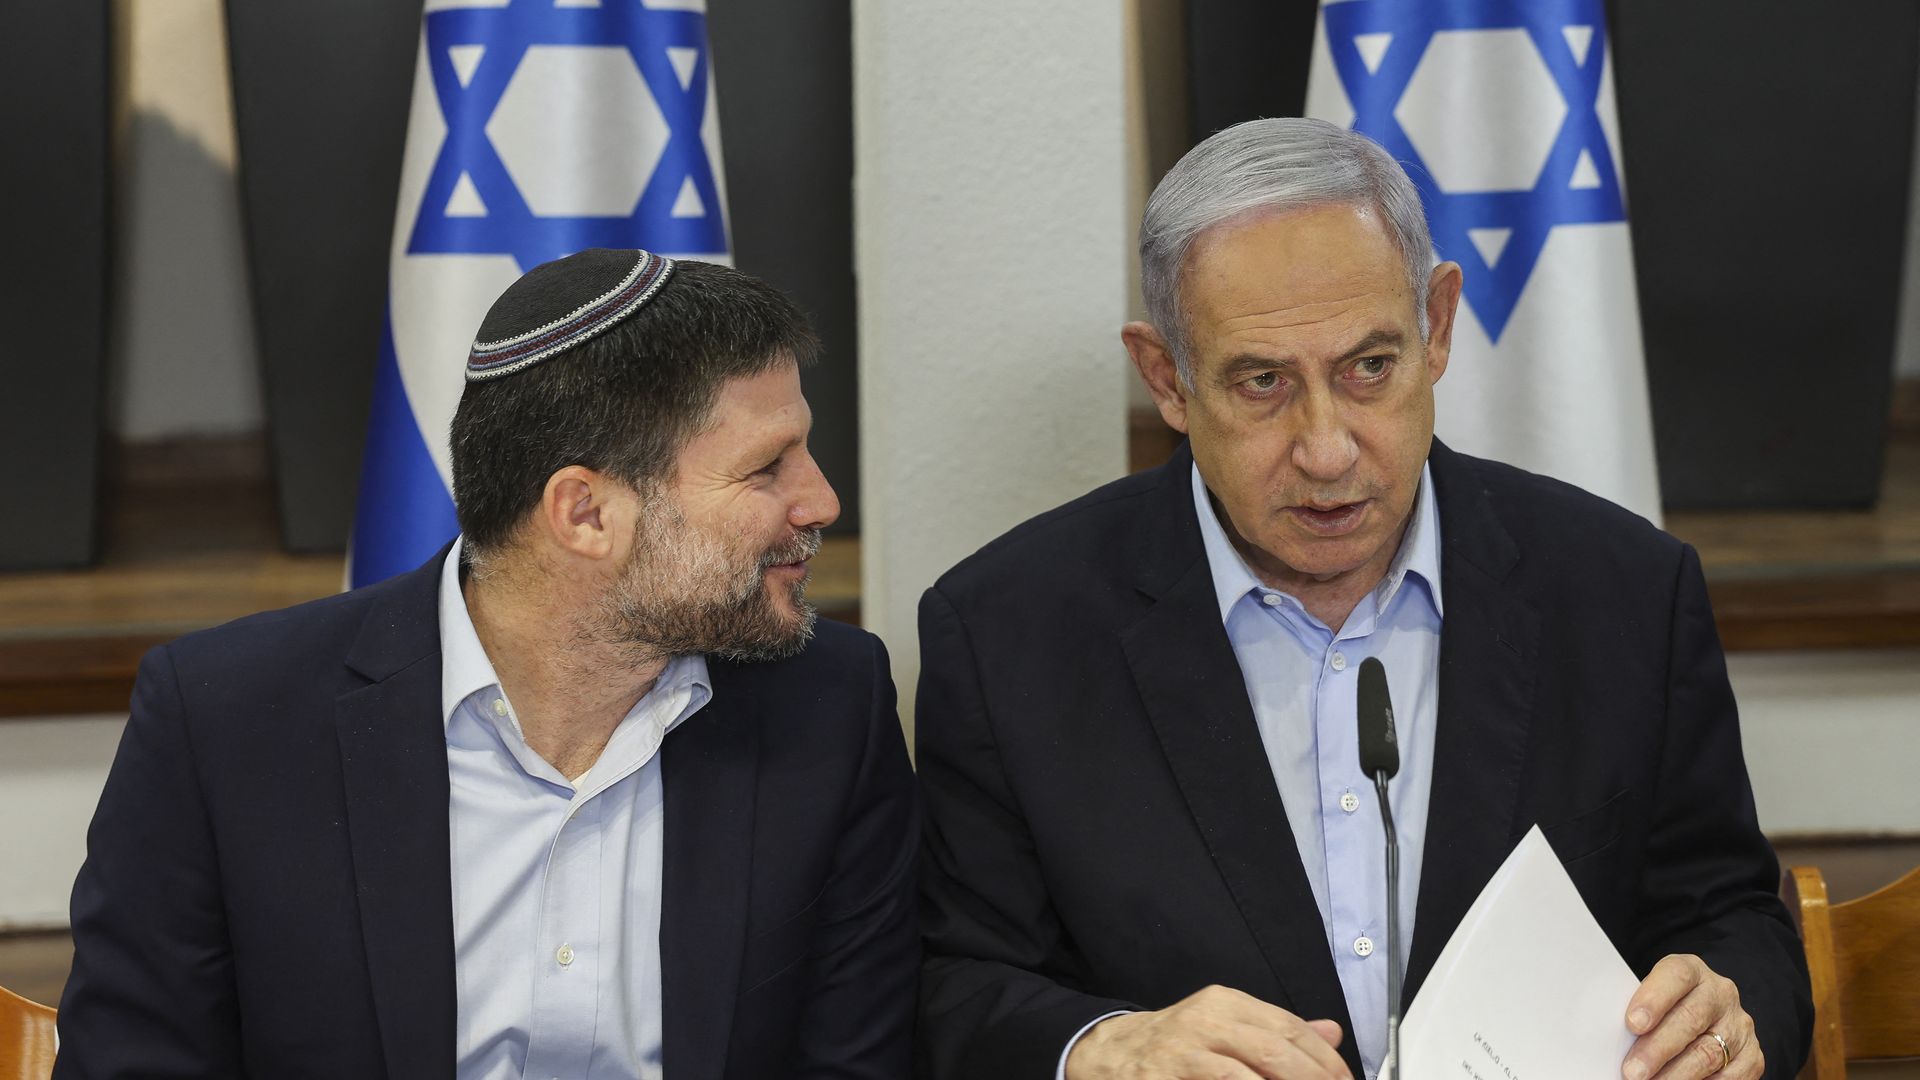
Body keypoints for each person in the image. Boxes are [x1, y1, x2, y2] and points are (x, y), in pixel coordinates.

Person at [914, 119, 1811, 1080]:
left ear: (1438, 327)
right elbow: (951, 985)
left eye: (1369, 369)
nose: (1328, 449)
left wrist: (1723, 1013)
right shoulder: (1009, 632)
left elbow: (1733, 917)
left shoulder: (1624, 591)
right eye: (1263, 383)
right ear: (1167, 378)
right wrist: (1102, 1048)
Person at [56, 249, 918, 1079]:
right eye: (767, 469)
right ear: (583, 513)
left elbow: (856, 1062)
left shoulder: (831, 706)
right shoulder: (226, 722)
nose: (822, 502)